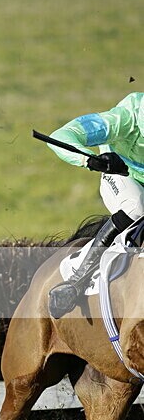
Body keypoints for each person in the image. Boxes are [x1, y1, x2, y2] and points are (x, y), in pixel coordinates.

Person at [47, 91, 144, 318]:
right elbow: (62, 135)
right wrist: (90, 159)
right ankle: (76, 280)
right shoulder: (125, 118)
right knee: (137, 206)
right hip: (121, 175)